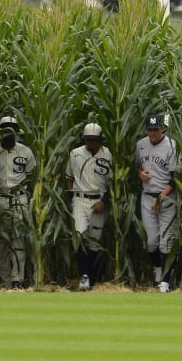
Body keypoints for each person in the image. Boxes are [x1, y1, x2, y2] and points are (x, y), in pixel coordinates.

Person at [0, 116, 36, 290]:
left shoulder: (25, 152)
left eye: (11, 130)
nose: (8, 133)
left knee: (18, 240)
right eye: (5, 130)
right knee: (1, 242)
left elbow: (32, 176)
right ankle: (6, 280)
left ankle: (18, 280)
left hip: (19, 199)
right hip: (0, 199)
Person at [66, 123, 113, 291]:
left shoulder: (107, 154)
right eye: (88, 140)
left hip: (99, 202)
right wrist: (71, 198)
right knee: (81, 236)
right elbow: (69, 177)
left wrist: (104, 202)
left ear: (100, 140)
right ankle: (84, 275)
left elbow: (112, 183)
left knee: (94, 242)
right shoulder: (75, 154)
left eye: (94, 140)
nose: (91, 143)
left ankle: (91, 279)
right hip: (80, 200)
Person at [136, 114, 179, 293]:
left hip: (167, 198)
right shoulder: (141, 144)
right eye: (150, 129)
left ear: (162, 129)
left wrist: (162, 197)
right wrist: (140, 174)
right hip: (147, 197)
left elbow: (175, 178)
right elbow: (138, 166)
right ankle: (158, 270)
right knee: (152, 241)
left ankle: (165, 282)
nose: (152, 133)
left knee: (166, 241)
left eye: (155, 129)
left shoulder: (172, 145)